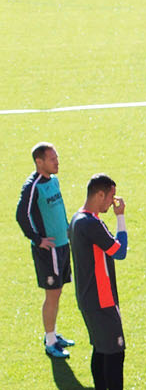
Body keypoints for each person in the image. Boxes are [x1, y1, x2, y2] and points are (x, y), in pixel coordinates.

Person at [70, 175, 146, 390]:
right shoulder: (91, 223)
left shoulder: (78, 219)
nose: (112, 202)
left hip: (89, 298)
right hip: (101, 300)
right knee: (115, 353)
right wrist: (121, 217)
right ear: (100, 195)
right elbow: (120, 251)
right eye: (111, 196)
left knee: (101, 350)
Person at [17, 142, 74, 358]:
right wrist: (36, 239)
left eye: (56, 157)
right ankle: (50, 341)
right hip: (48, 250)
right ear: (39, 162)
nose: (57, 162)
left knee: (57, 292)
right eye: (52, 159)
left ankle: (53, 334)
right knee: (52, 294)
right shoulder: (32, 186)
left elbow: (58, 209)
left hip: (62, 245)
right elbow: (21, 215)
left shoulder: (54, 181)